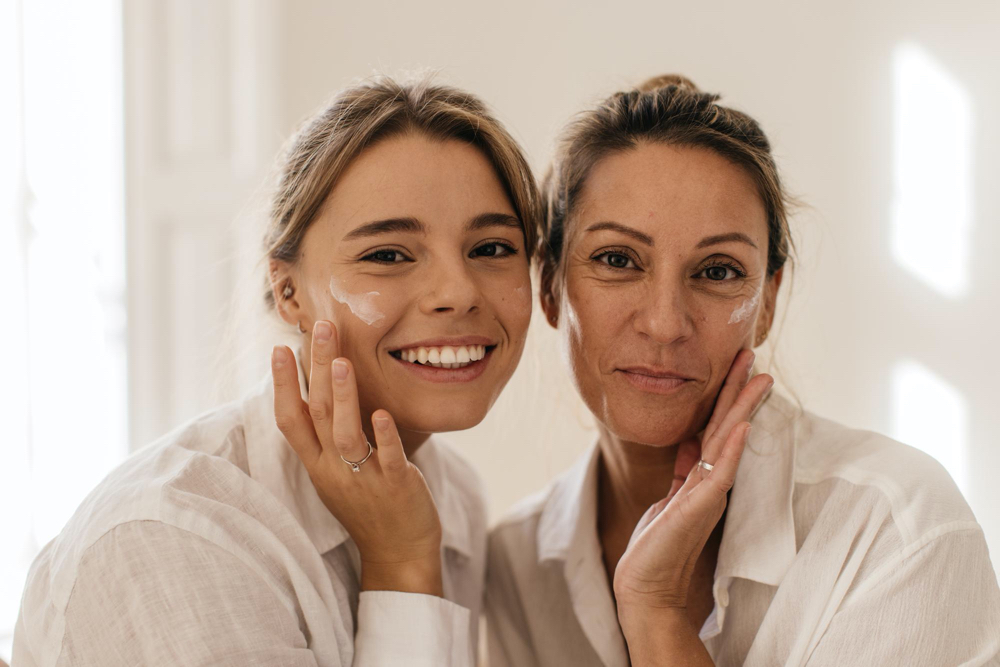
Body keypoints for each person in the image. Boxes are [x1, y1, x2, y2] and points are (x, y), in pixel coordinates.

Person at [13, 76, 540, 666]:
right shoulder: (171, 537)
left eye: (492, 248)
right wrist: (402, 565)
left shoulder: (451, 494)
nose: (457, 293)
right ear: (287, 290)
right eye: (387, 255)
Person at [484, 75, 1000, 666]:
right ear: (549, 287)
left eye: (719, 271)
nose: (664, 323)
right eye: (618, 260)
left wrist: (654, 612)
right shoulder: (516, 566)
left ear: (768, 303)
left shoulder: (893, 529)